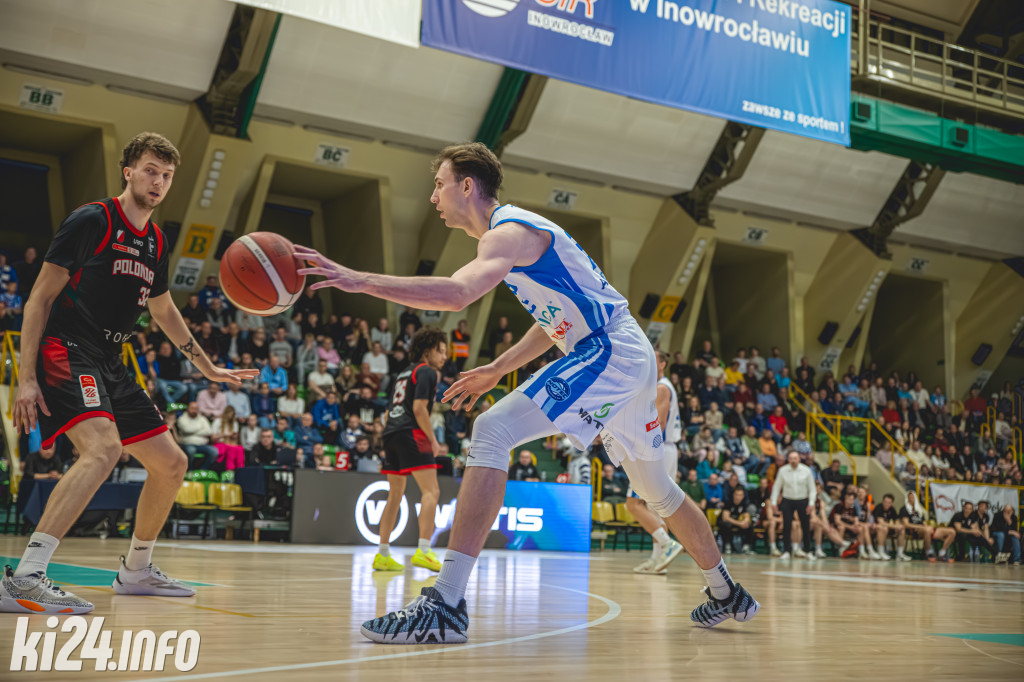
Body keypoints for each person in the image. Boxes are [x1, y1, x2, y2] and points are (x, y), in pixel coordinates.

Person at [297, 142, 758, 644]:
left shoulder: (507, 233)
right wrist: (498, 368)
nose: (433, 197)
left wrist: (358, 280)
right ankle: (726, 592)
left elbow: (458, 294)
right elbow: (552, 321)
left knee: (492, 430)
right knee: (658, 491)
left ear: (466, 186)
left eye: (439, 185)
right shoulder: (520, 238)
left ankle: (445, 604)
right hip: (625, 351)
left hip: (609, 349)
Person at [2, 132, 257, 614]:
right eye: (150, 171)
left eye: (167, 175)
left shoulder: (156, 241)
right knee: (103, 450)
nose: (158, 182)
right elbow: (39, 298)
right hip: (67, 349)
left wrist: (207, 366)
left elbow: (163, 309)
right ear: (129, 172)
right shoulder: (93, 220)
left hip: (111, 362)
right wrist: (27, 377)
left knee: (172, 463)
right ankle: (26, 578)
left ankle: (137, 570)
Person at [373, 328, 449, 573]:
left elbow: (388, 412)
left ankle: (382, 554)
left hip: (391, 433)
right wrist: (433, 440)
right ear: (427, 352)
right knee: (431, 491)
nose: (445, 356)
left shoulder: (402, 374)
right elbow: (419, 409)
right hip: (412, 432)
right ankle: (424, 550)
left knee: (395, 495)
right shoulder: (427, 371)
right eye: (441, 351)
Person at [629, 351, 684, 576]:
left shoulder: (661, 387)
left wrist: (641, 448)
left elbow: (658, 424)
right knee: (655, 507)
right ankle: (657, 559)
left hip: (657, 448)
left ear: (662, 364)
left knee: (633, 503)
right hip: (667, 449)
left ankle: (667, 543)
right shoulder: (662, 386)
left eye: (654, 358)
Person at [770, 450, 816, 561]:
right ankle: (787, 551)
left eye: (795, 458)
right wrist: (773, 503)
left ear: (799, 459)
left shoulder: (806, 470)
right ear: (788, 460)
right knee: (786, 526)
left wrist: (811, 503)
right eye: (791, 458)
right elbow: (776, 487)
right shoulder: (782, 470)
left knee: (805, 526)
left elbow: (812, 489)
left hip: (802, 500)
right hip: (787, 500)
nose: (793, 461)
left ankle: (807, 551)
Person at [898, 490, 954, 562]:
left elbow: (924, 522)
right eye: (909, 497)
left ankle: (942, 552)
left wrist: (927, 527)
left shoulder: (918, 510)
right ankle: (929, 552)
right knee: (927, 530)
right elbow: (906, 524)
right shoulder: (904, 509)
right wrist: (921, 527)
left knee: (951, 531)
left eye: (912, 497)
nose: (911, 499)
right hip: (914, 530)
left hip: (924, 529)